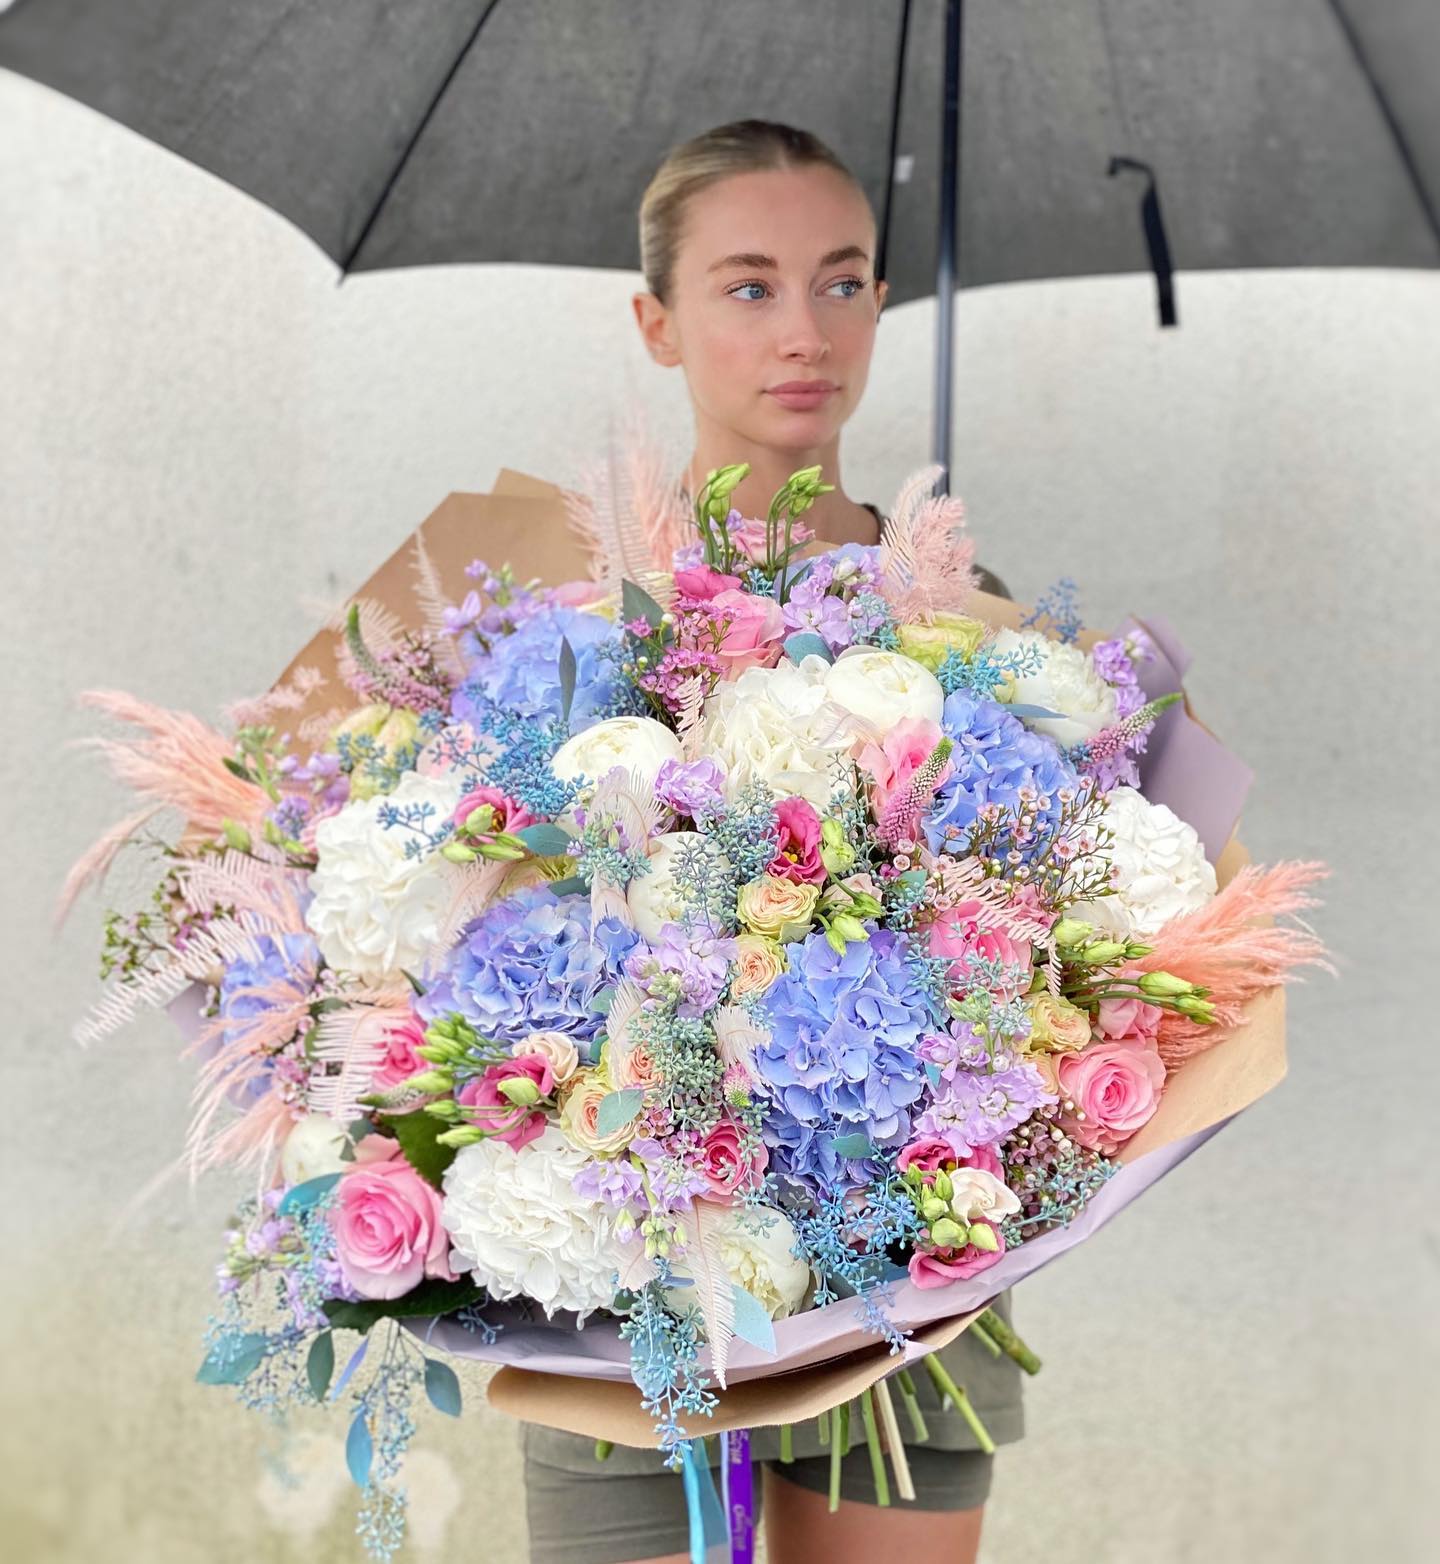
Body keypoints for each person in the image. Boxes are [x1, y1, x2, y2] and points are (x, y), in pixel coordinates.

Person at [521, 119, 1022, 1564]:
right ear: (656, 323)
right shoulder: (581, 601)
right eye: (749, 287)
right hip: (635, 1277)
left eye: (844, 282)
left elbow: (1039, 926)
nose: (806, 332)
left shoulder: (960, 608)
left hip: (907, 1272)